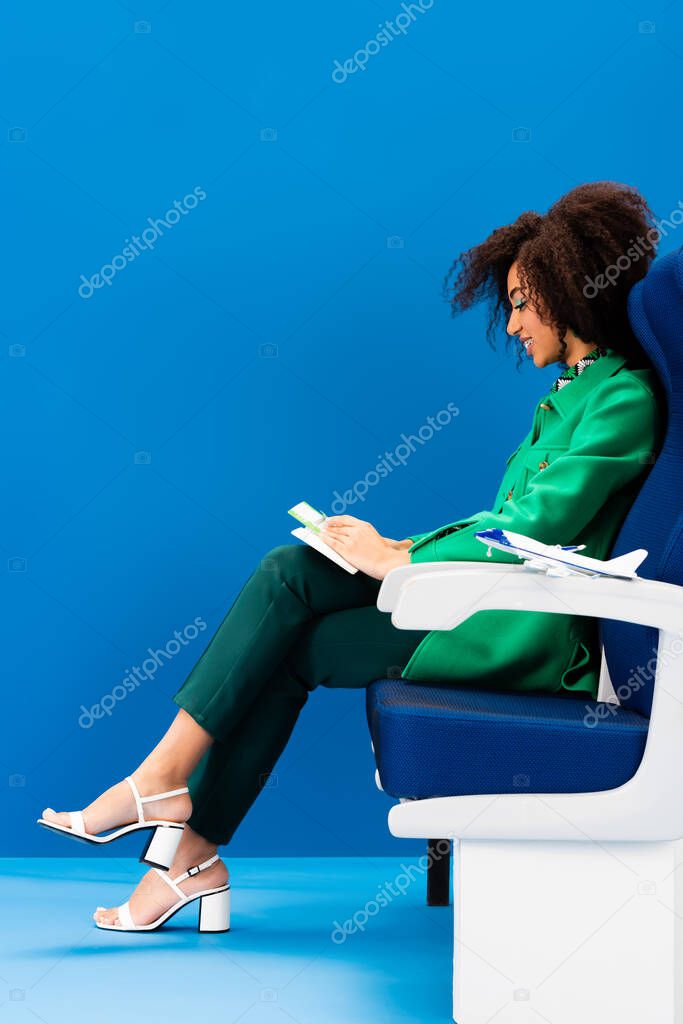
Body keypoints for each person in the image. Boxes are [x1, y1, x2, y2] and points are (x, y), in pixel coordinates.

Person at [39, 181, 666, 931]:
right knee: (290, 570)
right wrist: (398, 547)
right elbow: (508, 520)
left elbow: (536, 524)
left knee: (288, 635)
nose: (514, 320)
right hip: (492, 606)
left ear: (571, 294)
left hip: (527, 636)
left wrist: (398, 564)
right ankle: (179, 827)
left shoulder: (621, 398)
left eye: (524, 301)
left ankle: (175, 817)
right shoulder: (572, 392)